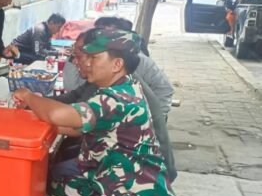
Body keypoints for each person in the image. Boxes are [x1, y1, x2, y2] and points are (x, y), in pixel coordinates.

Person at [13, 30, 176, 196]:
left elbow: (60, 116)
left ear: (117, 64)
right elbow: (78, 127)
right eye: (84, 57)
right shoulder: (124, 86)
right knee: (55, 188)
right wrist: (34, 121)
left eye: (94, 57)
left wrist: (30, 97)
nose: (85, 63)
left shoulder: (118, 98)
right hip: (120, 188)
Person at [48, 30, 177, 183]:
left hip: (139, 175)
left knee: (57, 171)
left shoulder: (117, 94)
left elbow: (75, 124)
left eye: (90, 57)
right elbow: (73, 96)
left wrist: (32, 102)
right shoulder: (116, 80)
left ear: (116, 64)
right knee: (65, 155)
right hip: (126, 161)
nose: (82, 62)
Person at [65, 17, 172, 118]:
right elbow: (73, 92)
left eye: (106, 35)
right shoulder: (102, 73)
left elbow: (165, 89)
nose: (98, 39)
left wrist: (155, 118)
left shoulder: (118, 95)